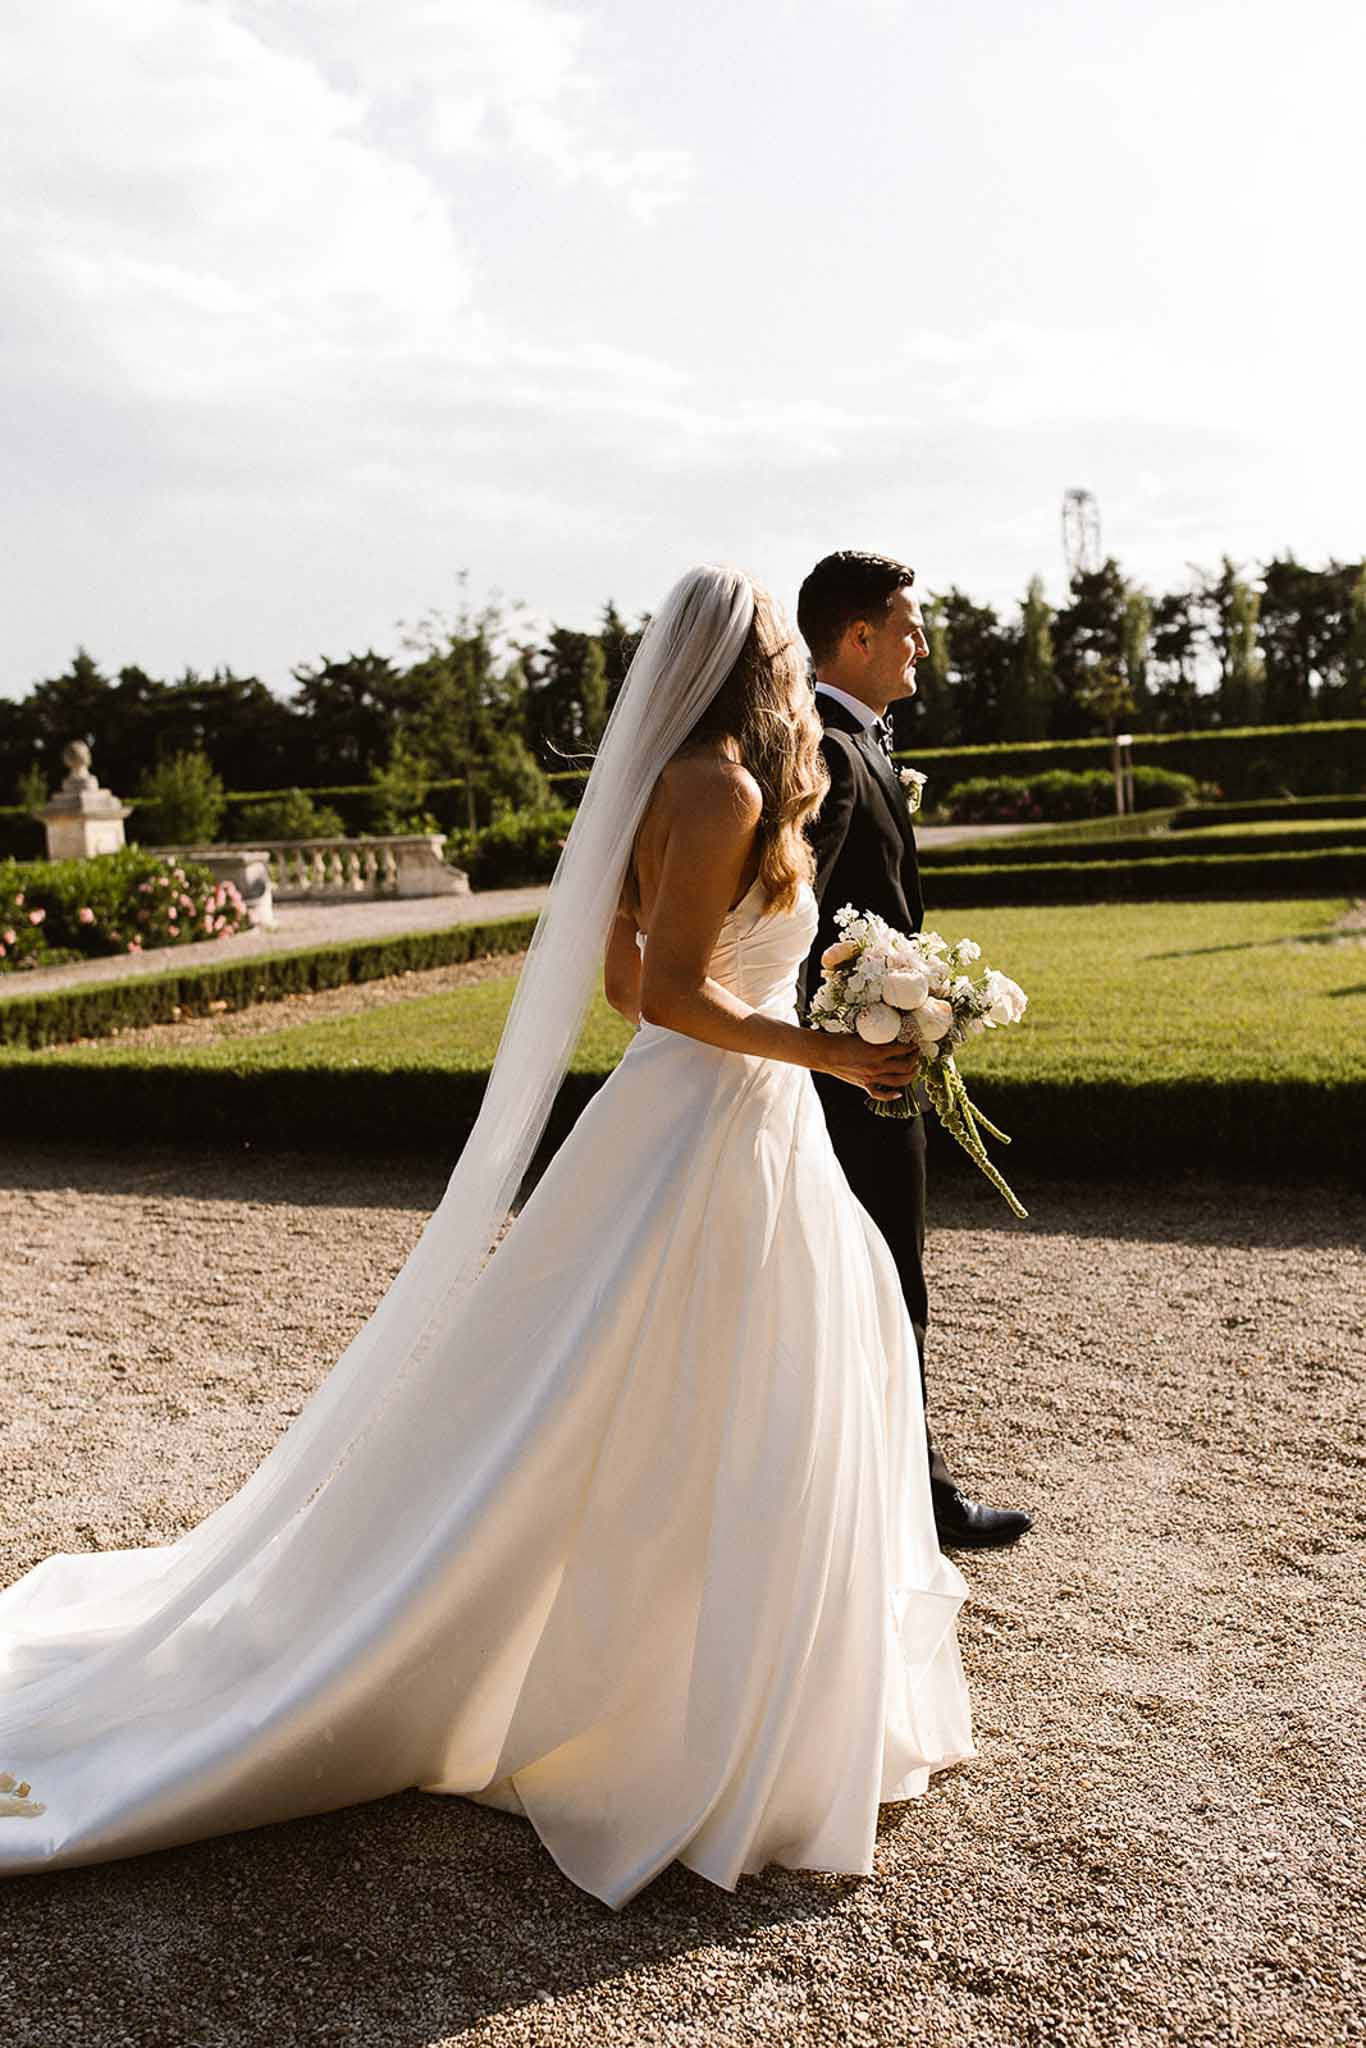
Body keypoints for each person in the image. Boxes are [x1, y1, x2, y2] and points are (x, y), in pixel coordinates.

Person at [0, 566, 973, 1911]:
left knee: (643, 1391)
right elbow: (676, 996)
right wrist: (821, 1045)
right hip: (720, 1122)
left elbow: (630, 984)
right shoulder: (723, 791)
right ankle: (692, 1705)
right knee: (718, 1397)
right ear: (751, 656)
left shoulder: (686, 783)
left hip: (704, 1120)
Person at [797, 550, 1033, 1550]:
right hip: (850, 1072)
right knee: (889, 1272)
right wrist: (868, 1020)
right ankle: (916, 1500)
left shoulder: (855, 742)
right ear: (858, 636)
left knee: (876, 1275)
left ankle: (878, 1485)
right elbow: (797, 922)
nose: (922, 644)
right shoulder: (830, 753)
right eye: (908, 625)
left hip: (864, 1051)